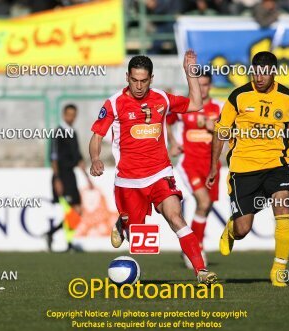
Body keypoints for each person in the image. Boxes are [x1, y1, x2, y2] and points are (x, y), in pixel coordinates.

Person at [89, 51, 218, 285]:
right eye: (134, 80)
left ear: (152, 79)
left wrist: (190, 73)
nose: (139, 86)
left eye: (144, 81)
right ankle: (123, 222)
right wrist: (95, 158)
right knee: (136, 233)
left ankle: (201, 270)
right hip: (129, 181)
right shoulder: (114, 103)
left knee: (175, 216)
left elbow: (196, 104)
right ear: (127, 77)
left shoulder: (162, 99)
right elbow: (97, 135)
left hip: (160, 173)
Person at [207, 51, 289, 287]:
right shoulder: (238, 96)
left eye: (265, 73)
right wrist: (213, 167)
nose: (259, 77)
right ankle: (231, 230)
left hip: (278, 166)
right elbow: (221, 131)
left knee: (283, 210)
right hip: (243, 168)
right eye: (255, 72)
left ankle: (279, 270)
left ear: (273, 72)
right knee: (243, 228)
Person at [166, 69, 223, 269]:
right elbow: (166, 119)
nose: (202, 88)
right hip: (189, 162)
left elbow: (230, 133)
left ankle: (190, 247)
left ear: (211, 86)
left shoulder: (219, 108)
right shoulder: (186, 106)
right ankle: (196, 248)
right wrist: (172, 143)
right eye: (198, 84)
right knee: (203, 201)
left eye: (205, 84)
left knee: (204, 208)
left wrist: (214, 127)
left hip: (212, 165)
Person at [46, 104, 91, 252]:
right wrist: (57, 179)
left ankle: (51, 234)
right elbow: (53, 157)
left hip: (71, 175)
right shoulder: (58, 132)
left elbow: (79, 158)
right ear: (64, 115)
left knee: (77, 211)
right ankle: (69, 244)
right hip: (62, 175)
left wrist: (88, 179)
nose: (71, 117)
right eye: (69, 114)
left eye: (74, 114)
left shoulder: (73, 132)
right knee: (70, 211)